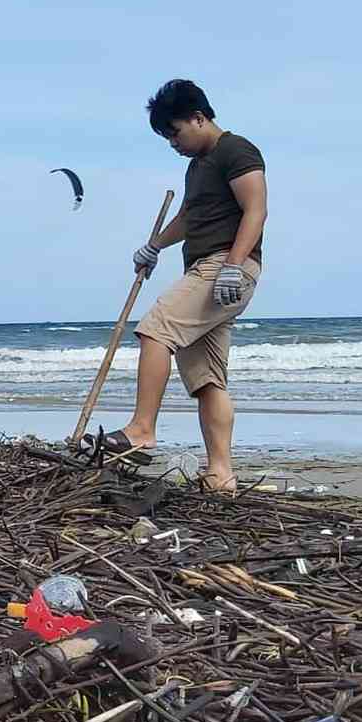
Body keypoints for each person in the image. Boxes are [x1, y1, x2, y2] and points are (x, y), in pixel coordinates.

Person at [88, 80, 266, 492]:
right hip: (205, 266)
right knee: (207, 379)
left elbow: (256, 210)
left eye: (175, 132)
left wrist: (233, 267)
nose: (172, 143)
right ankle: (221, 475)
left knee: (155, 330)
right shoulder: (197, 166)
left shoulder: (237, 150)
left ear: (199, 117)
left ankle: (141, 429)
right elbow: (189, 217)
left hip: (226, 265)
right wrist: (154, 246)